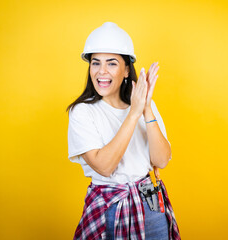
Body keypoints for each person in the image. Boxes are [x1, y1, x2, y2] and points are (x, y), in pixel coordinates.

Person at [66, 22, 180, 240]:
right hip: (109, 206)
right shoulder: (82, 112)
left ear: (127, 69)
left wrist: (146, 109)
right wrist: (134, 113)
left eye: (112, 63)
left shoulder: (144, 106)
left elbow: (162, 160)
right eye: (95, 63)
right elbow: (104, 167)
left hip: (151, 204)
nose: (102, 71)